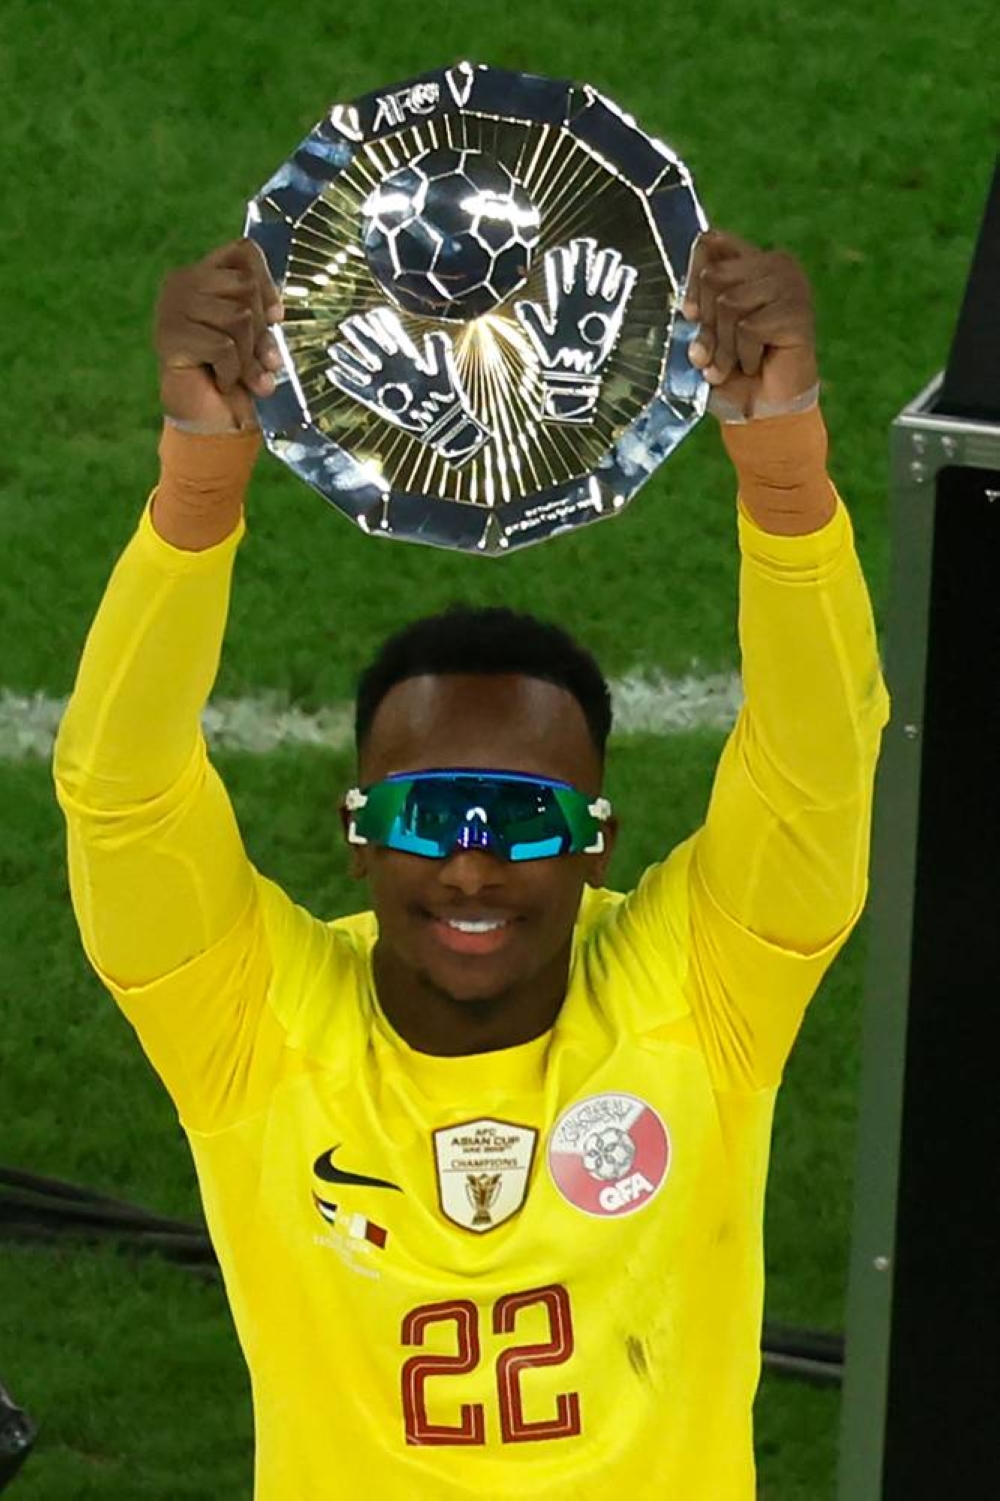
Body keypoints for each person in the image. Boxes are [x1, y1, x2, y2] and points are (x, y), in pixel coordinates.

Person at [52, 229, 890, 1499]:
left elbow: (815, 763)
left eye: (526, 815)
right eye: (432, 810)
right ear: (358, 829)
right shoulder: (248, 1029)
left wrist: (784, 470)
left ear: (599, 840)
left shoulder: (705, 997)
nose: (473, 865)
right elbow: (120, 792)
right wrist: (199, 481)